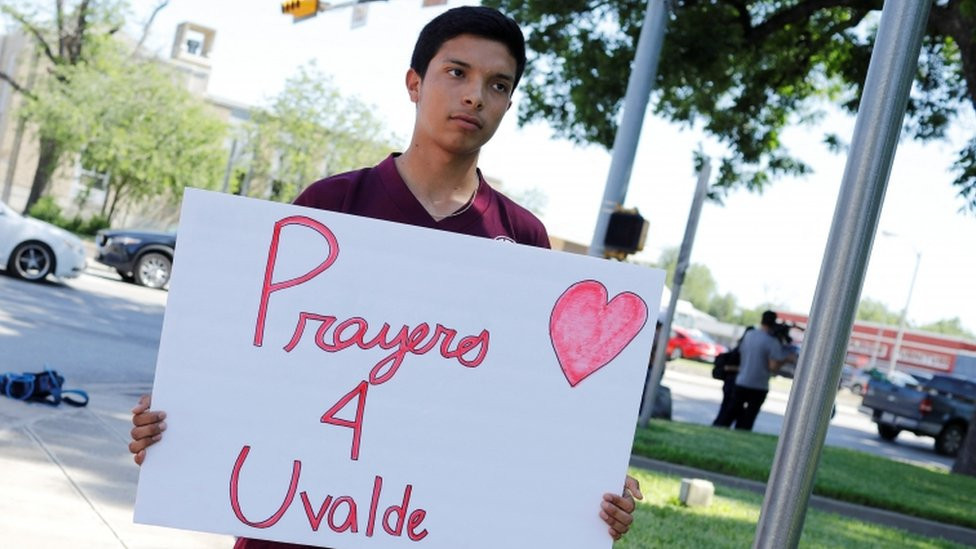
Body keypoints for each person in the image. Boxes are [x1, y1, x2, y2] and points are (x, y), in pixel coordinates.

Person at [129, 6, 642, 547]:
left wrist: (587, 493)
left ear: (508, 104)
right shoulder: (328, 207)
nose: (474, 95)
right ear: (414, 83)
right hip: (298, 522)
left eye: (497, 84)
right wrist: (174, 427)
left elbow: (534, 417)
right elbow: (251, 364)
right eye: (456, 73)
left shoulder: (525, 242)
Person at [712, 311, 797, 431]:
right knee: (747, 420)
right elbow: (773, 367)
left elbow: (741, 354)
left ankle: (720, 431)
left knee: (729, 415)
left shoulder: (749, 335)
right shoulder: (772, 342)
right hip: (759, 385)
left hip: (741, 381)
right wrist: (786, 359)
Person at [711, 326, 753, 426]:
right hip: (732, 381)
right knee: (729, 407)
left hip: (731, 381)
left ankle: (720, 424)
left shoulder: (741, 346)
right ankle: (720, 424)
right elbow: (729, 367)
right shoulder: (743, 349)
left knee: (728, 406)